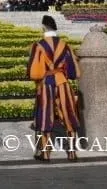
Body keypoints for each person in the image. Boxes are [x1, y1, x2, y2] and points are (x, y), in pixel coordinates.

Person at [26, 15, 81, 161]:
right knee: (69, 115)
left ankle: (45, 153)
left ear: (43, 27)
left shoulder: (38, 46)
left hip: (46, 84)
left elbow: (34, 73)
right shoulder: (65, 45)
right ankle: (72, 152)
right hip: (62, 82)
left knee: (45, 116)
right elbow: (73, 72)